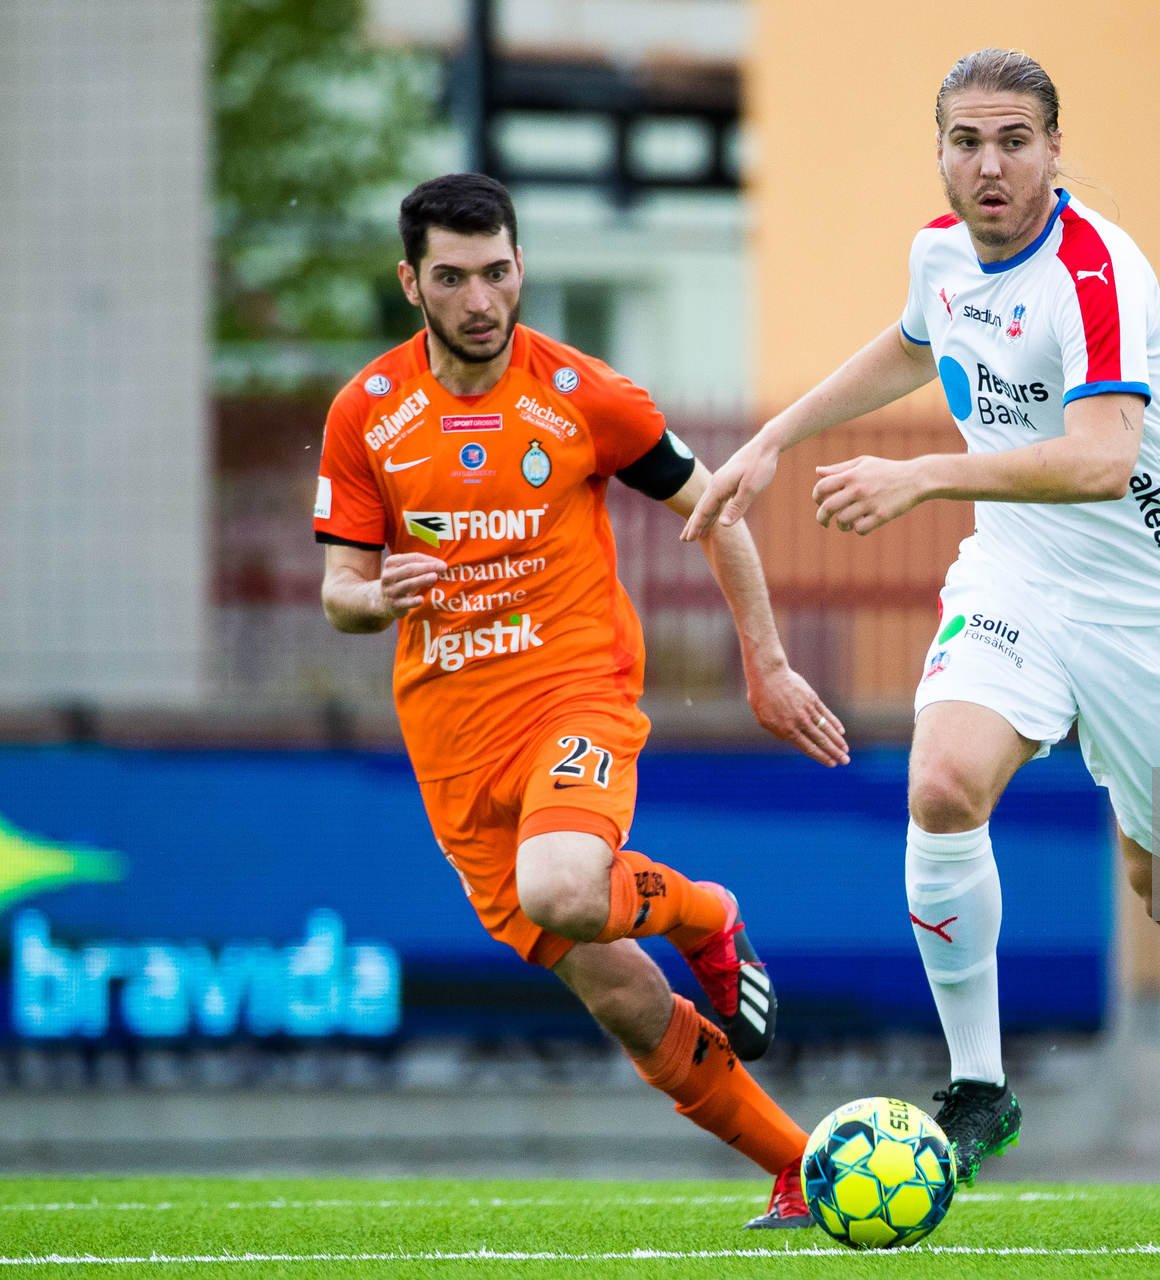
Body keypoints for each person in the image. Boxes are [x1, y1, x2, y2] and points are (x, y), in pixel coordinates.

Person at [683, 49, 1160, 1238]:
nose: (989, 166)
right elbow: (918, 338)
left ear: (1055, 149)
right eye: (966, 141)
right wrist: (775, 436)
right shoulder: (941, 249)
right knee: (941, 782)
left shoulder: (1099, 271)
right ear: (939, 148)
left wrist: (925, 471)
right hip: (1020, 581)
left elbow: (1103, 458)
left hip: (1157, 618)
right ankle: (980, 1086)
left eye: (1014, 141)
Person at [313, 174, 850, 1228]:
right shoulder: (366, 413)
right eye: (454, 277)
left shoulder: (585, 393)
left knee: (564, 883)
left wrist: (768, 662)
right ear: (410, 280)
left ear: (521, 266)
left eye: (499, 271)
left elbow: (718, 509)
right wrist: (376, 596)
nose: (481, 298)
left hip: (576, 693)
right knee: (622, 993)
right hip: (453, 746)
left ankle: (706, 910)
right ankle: (799, 1167)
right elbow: (338, 592)